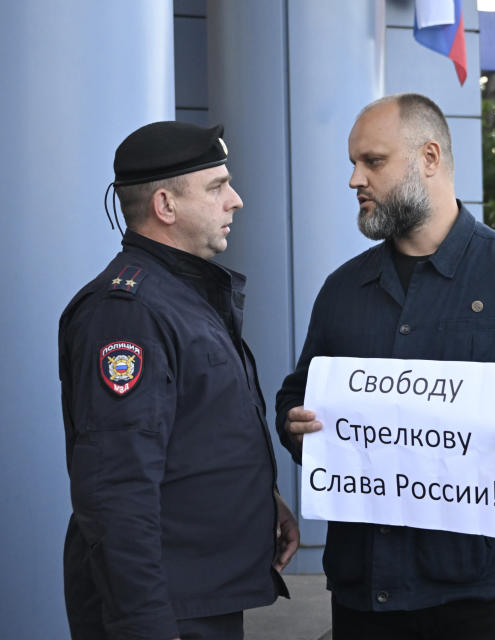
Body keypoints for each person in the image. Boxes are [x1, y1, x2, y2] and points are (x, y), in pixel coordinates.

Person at [274, 93, 495, 640]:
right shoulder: (343, 289)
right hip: (365, 596)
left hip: (484, 599)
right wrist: (297, 423)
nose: (354, 180)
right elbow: (297, 395)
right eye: (353, 163)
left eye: (373, 161)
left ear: (429, 158)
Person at [59, 121, 299, 640]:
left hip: (197, 593)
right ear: (165, 206)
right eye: (217, 187)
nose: (235, 200)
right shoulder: (128, 313)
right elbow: (116, 488)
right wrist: (145, 625)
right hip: (164, 608)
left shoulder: (181, 295)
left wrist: (263, 501)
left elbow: (197, 431)